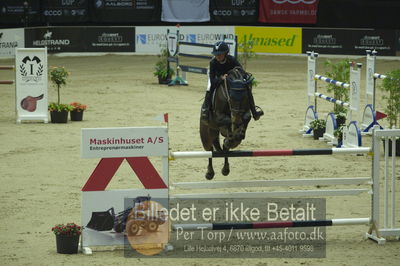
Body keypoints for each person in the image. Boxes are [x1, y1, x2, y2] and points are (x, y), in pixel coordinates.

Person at [201, 41, 264, 123]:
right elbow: (213, 80)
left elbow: (241, 70)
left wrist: (244, 78)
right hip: (216, 77)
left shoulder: (231, 59)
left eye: (220, 54)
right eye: (216, 54)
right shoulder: (213, 62)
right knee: (209, 88)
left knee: (247, 87)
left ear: (225, 53)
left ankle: (254, 111)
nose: (218, 56)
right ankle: (206, 109)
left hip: (231, 78)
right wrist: (221, 78)